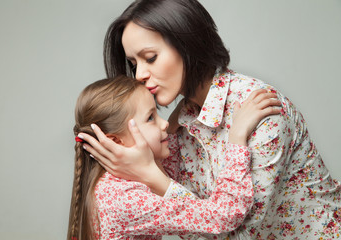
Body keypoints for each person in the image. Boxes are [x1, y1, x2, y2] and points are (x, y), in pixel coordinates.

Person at [82, 0, 341, 239]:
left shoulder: (260, 112)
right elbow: (189, 221)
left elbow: (234, 234)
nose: (139, 74)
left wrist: (150, 175)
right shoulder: (175, 126)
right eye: (133, 63)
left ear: (187, 44)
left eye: (150, 58)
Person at [67, 75, 281, 239]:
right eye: (151, 117)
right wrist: (237, 136)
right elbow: (222, 216)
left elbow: (171, 163)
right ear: (116, 142)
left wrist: (178, 119)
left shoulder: (112, 183)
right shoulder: (122, 198)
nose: (164, 123)